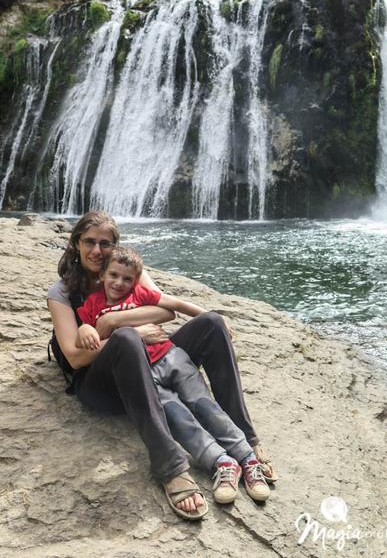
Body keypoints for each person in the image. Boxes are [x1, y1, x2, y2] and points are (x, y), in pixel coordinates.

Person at [47, 211, 277, 521]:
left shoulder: (127, 269)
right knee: (127, 340)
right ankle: (170, 466)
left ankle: (245, 440)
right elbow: (75, 357)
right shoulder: (60, 292)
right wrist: (127, 331)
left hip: (153, 362)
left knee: (210, 323)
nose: (97, 251)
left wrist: (114, 319)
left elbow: (165, 312)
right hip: (101, 383)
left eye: (105, 243)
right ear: (76, 243)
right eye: (89, 242)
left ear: (115, 246)